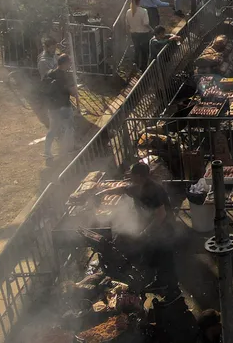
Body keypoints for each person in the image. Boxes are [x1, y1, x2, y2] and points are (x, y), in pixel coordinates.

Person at [96, 162, 178, 295]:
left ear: (140, 176)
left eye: (132, 174)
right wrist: (103, 192)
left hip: (163, 228)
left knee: (164, 256)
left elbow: (161, 215)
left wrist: (145, 233)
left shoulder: (153, 191)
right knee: (152, 255)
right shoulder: (137, 186)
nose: (129, 176)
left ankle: (169, 287)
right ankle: (158, 281)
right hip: (151, 226)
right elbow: (123, 189)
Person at [44, 54, 79, 162]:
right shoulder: (67, 76)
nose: (70, 65)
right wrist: (76, 92)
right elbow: (73, 92)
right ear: (65, 63)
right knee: (69, 128)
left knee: (53, 130)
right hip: (64, 106)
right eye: (69, 63)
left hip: (52, 107)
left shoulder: (49, 73)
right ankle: (68, 149)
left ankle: (47, 152)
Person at [126, 0, 153, 70]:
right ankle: (144, 68)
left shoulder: (128, 11)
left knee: (137, 49)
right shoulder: (143, 11)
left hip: (133, 33)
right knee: (144, 51)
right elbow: (146, 23)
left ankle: (136, 65)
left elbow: (127, 24)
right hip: (143, 33)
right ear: (139, 2)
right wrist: (151, 29)